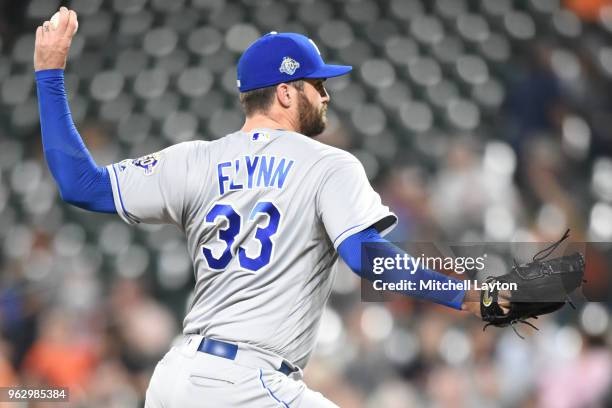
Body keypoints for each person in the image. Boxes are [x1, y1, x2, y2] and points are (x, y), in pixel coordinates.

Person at [34, 8, 489, 407]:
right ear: (287, 92)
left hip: (175, 379)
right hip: (245, 384)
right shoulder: (328, 164)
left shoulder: (195, 159)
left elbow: (81, 185)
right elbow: (367, 257)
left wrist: (49, 74)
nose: (326, 95)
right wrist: (467, 295)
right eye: (318, 84)